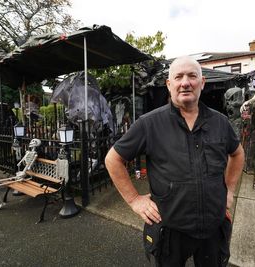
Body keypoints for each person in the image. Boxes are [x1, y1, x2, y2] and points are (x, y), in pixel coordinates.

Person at [105, 56, 244, 267]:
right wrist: (134, 200)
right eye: (178, 77)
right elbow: (113, 159)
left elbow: (237, 154)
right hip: (170, 230)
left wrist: (230, 191)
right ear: (169, 85)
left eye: (192, 76)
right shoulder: (149, 124)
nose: (185, 82)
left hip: (213, 228)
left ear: (202, 83)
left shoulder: (220, 122)